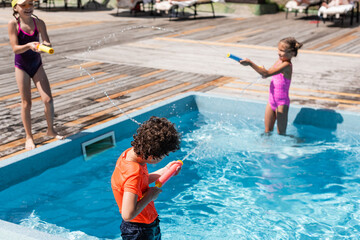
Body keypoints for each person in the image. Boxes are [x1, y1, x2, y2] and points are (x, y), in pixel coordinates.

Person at [111, 116, 181, 240]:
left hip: (145, 224)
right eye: (164, 155)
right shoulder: (134, 172)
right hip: (140, 230)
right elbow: (127, 214)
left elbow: (139, 182)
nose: (165, 157)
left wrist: (165, 170)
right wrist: (150, 196)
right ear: (152, 156)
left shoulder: (129, 154)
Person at [8, 0, 64, 150]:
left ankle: (50, 130)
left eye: (30, 4)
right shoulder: (13, 24)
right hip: (22, 67)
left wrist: (44, 47)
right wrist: (29, 45)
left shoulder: (39, 22)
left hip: (37, 65)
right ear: (15, 7)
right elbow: (15, 49)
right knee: (27, 103)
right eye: (23, 5)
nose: (28, 8)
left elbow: (47, 42)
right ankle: (29, 137)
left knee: (48, 99)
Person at [239, 37, 303, 135]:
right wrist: (261, 70)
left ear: (292, 54)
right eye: (278, 49)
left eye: (282, 51)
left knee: (281, 135)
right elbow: (267, 73)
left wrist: (251, 64)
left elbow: (266, 74)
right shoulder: (279, 61)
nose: (278, 52)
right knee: (267, 132)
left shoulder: (286, 65)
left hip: (282, 104)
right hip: (271, 101)